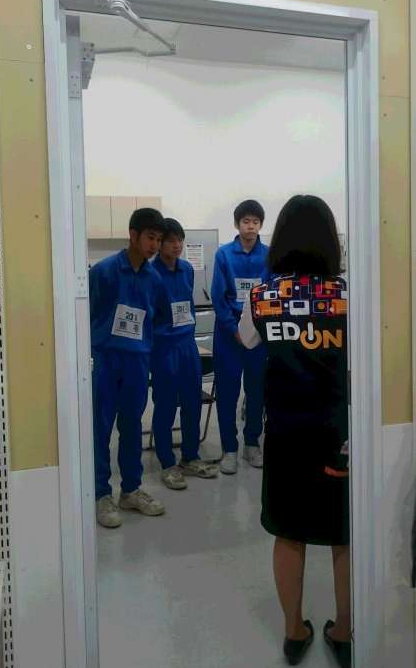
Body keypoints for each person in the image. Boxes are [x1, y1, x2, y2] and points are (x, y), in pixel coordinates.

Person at [239, 195, 350, 668]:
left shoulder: (263, 295)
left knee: (288, 533)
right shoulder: (346, 295)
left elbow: (246, 339)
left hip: (284, 432)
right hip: (338, 435)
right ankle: (344, 632)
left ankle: (293, 632)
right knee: (345, 533)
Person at [90, 208, 168, 528]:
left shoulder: (155, 279)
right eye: (150, 237)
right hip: (106, 360)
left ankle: (131, 490)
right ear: (133, 235)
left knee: (132, 426)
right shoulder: (104, 271)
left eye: (159, 240)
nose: (154, 245)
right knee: (100, 428)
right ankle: (100, 493)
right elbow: (87, 316)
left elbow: (155, 319)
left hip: (137, 361)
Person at [151, 218, 219, 489]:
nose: (177, 245)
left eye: (180, 240)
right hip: (163, 347)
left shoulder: (187, 269)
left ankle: (190, 457)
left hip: (187, 344)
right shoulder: (150, 273)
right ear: (160, 244)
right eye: (171, 241)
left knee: (192, 403)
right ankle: (167, 464)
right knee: (166, 405)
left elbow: (187, 304)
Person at [211, 199, 268, 474]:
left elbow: (271, 294)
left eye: (255, 222)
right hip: (228, 336)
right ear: (237, 224)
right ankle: (229, 449)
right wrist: (234, 330)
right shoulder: (223, 255)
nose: (250, 226)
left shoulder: (269, 256)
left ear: (260, 225)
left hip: (258, 335)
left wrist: (259, 330)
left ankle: (252, 444)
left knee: (257, 391)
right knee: (227, 393)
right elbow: (218, 297)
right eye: (246, 221)